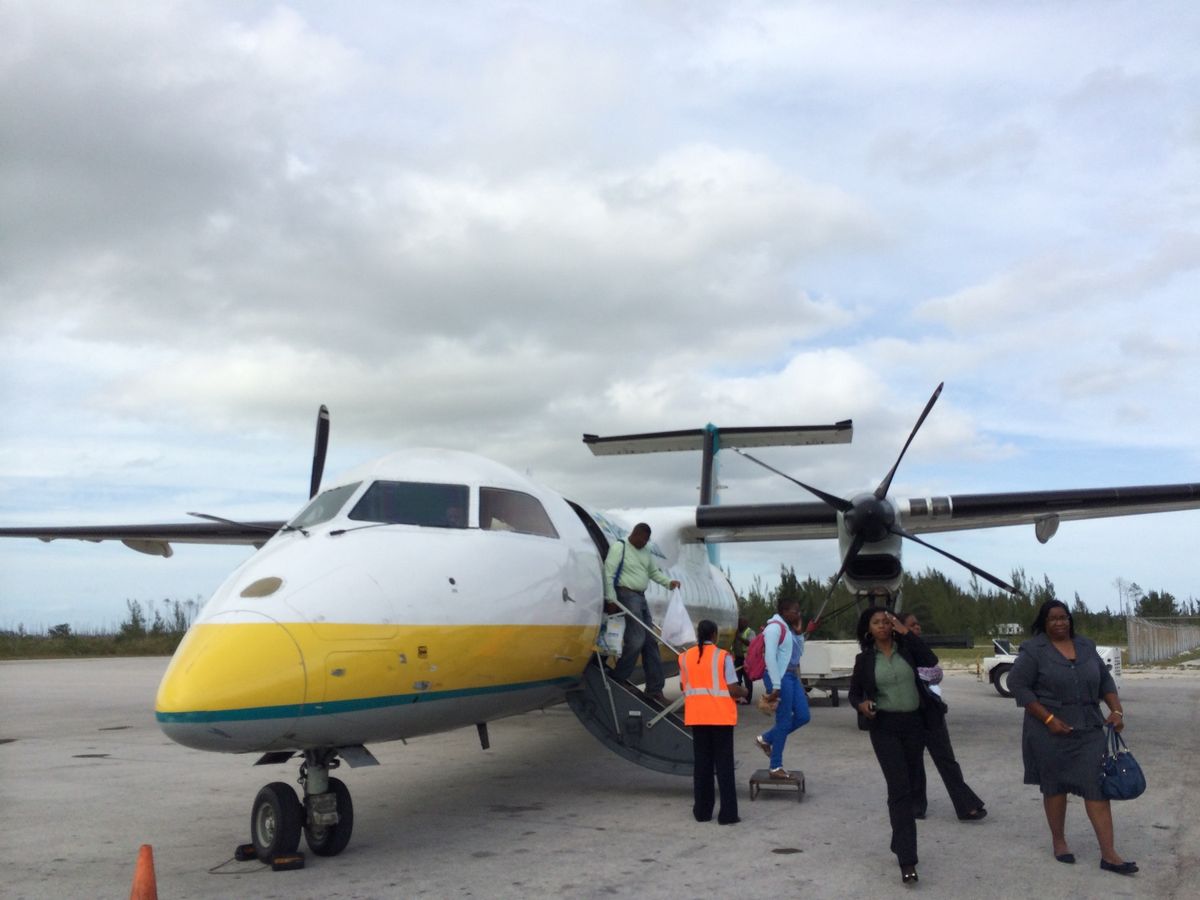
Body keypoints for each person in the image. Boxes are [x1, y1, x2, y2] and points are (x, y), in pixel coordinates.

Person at [1007, 599, 1135, 875]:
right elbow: (1017, 685)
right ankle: (1059, 841)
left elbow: (1105, 681)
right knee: (1055, 787)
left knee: (1097, 787)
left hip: (1089, 727)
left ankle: (1109, 855)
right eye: (1053, 619)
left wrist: (1117, 710)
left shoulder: (1086, 646)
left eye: (1063, 617)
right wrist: (1049, 719)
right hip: (1047, 729)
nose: (1059, 623)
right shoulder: (1033, 650)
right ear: (1044, 622)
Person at [848, 605, 942, 885]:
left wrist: (906, 633)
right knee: (899, 789)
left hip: (914, 725)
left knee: (912, 787)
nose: (883, 626)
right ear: (868, 629)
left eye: (887, 622)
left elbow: (931, 660)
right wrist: (861, 705)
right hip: (885, 728)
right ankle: (908, 860)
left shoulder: (908, 650)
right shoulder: (864, 660)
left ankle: (898, 839)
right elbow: (854, 694)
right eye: (877, 622)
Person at [900, 612, 986, 822]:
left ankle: (965, 805)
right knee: (913, 763)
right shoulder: (898, 652)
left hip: (931, 712)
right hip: (910, 714)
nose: (917, 628)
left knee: (946, 760)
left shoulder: (921, 650)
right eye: (911, 626)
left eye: (918, 624)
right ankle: (916, 805)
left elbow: (934, 672)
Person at [603, 523, 681, 705]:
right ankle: (618, 677)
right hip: (626, 594)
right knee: (637, 639)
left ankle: (654, 689)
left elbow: (653, 572)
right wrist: (611, 599)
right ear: (635, 534)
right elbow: (608, 573)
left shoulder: (645, 551)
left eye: (647, 540)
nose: (644, 543)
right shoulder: (619, 547)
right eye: (643, 539)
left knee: (650, 642)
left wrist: (669, 583)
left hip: (640, 596)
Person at [679, 619, 746, 824]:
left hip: (697, 717)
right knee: (723, 766)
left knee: (702, 766)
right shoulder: (722, 656)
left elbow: (684, 686)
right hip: (720, 717)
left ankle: (702, 811)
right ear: (714, 635)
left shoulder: (684, 658)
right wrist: (745, 691)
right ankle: (728, 814)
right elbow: (733, 688)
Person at [753, 597, 816, 779]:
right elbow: (770, 658)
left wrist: (799, 632)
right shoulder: (774, 628)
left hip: (791, 675)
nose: (798, 614)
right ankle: (775, 766)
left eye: (799, 611)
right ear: (784, 611)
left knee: (803, 716)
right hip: (779, 676)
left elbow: (798, 654)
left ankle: (765, 738)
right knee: (784, 721)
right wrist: (776, 685)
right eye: (795, 611)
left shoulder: (788, 629)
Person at [731, 616, 755, 704]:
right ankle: (738, 697)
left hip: (747, 658)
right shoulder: (736, 631)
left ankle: (748, 698)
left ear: (746, 623)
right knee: (737, 678)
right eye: (738, 623)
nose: (739, 624)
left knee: (747, 679)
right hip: (738, 657)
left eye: (741, 623)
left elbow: (750, 643)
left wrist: (739, 637)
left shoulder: (750, 632)